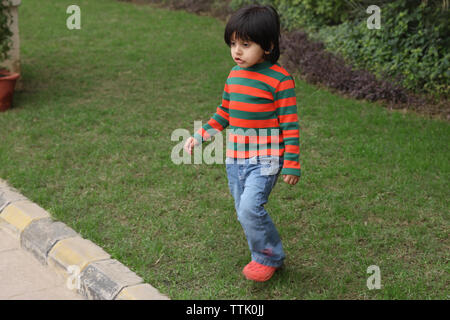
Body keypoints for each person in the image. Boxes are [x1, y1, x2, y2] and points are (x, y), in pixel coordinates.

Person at [184, 4, 301, 282]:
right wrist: (201, 135)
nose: (237, 51)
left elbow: (289, 125)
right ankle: (268, 254)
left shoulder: (280, 80)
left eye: (246, 44)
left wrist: (292, 164)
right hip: (235, 160)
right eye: (233, 43)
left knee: (250, 208)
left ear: (268, 45)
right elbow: (224, 113)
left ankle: (267, 257)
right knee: (244, 212)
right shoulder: (234, 76)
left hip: (266, 159)